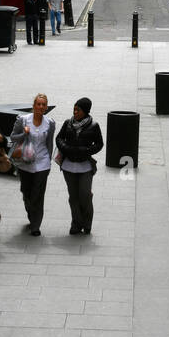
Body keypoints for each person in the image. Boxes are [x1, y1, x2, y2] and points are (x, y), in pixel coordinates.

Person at [56, 97, 104, 235]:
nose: (75, 112)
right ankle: (76, 224)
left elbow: (99, 144)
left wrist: (87, 151)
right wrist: (66, 147)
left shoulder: (94, 126)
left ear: (86, 111)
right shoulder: (67, 123)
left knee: (85, 195)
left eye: (78, 110)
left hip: (85, 167)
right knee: (73, 197)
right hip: (68, 166)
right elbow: (59, 138)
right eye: (74, 109)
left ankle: (87, 223)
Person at [8, 93, 55, 236]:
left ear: (46, 107)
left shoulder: (50, 123)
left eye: (43, 105)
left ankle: (35, 226)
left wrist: (49, 161)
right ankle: (31, 212)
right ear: (34, 106)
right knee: (26, 193)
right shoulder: (23, 120)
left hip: (42, 163)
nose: (41, 107)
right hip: (25, 163)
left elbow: (49, 143)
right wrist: (24, 133)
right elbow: (12, 136)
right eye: (38, 104)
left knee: (38, 195)